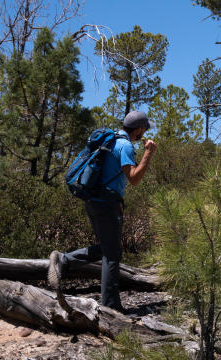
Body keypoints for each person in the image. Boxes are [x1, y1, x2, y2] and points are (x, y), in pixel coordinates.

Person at [48, 110, 158, 312]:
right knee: (112, 255)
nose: (145, 132)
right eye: (144, 128)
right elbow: (134, 178)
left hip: (93, 200)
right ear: (139, 129)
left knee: (108, 248)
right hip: (107, 203)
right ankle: (111, 306)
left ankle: (64, 260)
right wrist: (148, 154)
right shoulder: (124, 145)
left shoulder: (111, 139)